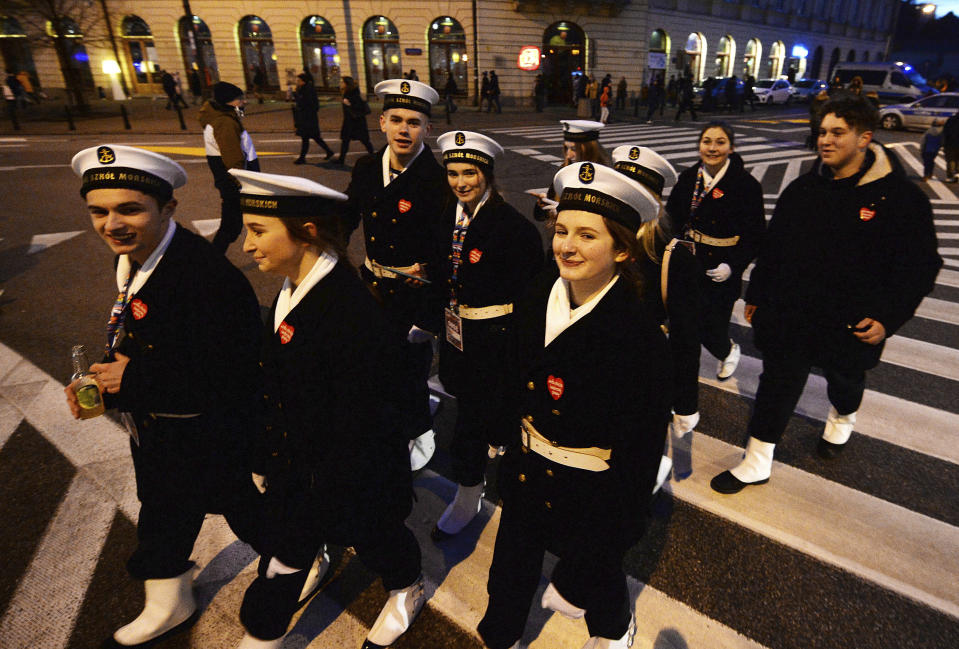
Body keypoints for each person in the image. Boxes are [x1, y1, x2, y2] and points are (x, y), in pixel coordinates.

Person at [65, 145, 262, 647]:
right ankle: (169, 596)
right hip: (159, 424)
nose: (112, 224)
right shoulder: (140, 257)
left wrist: (128, 382)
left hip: (208, 430)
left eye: (129, 209)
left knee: (241, 507)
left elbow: (229, 374)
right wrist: (106, 385)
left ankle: (299, 556)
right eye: (99, 211)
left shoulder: (203, 278)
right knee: (163, 508)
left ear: (168, 208)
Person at [477, 161, 672, 649]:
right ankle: (499, 636)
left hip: (591, 490)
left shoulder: (639, 335)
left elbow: (638, 459)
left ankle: (613, 630)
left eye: (587, 235)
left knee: (596, 580)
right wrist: (499, 437)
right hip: (526, 469)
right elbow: (513, 372)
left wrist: (599, 551)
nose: (566, 245)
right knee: (508, 573)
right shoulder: (539, 290)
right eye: (561, 230)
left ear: (623, 248)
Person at [229, 169, 425, 649]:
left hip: (352, 468)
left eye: (258, 232)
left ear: (307, 232)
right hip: (301, 462)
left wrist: (323, 483)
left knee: (377, 536)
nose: (246, 246)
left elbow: (365, 417)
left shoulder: (349, 308)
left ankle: (406, 586)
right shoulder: (294, 286)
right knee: (289, 539)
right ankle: (274, 612)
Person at [710, 96, 942, 494]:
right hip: (793, 312)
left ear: (865, 137)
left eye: (838, 133)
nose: (825, 140)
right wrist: (758, 292)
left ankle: (843, 416)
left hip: (852, 318)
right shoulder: (803, 188)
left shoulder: (901, 198)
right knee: (777, 382)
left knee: (845, 379)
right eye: (822, 132)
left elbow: (921, 266)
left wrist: (888, 317)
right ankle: (756, 459)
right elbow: (775, 245)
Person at [431, 131, 544, 541]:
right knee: (475, 410)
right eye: (453, 173)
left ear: (488, 174)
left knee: (476, 421)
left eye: (470, 173)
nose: (461, 182)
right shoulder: (447, 217)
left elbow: (532, 300)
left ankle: (469, 491)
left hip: (498, 341)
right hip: (459, 336)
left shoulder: (513, 228)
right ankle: (485, 463)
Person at [341, 79, 452, 471]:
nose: (405, 130)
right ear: (383, 123)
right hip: (373, 287)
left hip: (414, 294)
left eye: (415, 122)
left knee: (412, 371)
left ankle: (422, 431)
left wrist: (428, 317)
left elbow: (445, 255)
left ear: (428, 129)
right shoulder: (368, 167)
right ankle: (390, 423)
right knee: (375, 364)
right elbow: (346, 219)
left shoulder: (438, 182)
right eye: (398, 120)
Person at [610, 145, 698, 473]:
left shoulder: (672, 256)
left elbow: (686, 336)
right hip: (600, 365)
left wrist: (686, 401)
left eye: (638, 192)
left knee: (637, 457)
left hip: (645, 373)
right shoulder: (601, 240)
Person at [664, 122, 765, 384]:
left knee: (711, 327)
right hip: (688, 261)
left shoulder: (747, 185)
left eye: (720, 142)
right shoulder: (689, 178)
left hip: (721, 265)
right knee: (683, 326)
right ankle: (683, 389)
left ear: (731, 147)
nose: (712, 148)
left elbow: (754, 236)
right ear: (699, 146)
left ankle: (728, 350)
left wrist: (733, 266)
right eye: (707, 141)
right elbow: (671, 218)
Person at [199, 81, 260, 253]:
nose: (244, 102)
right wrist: (245, 184)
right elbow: (233, 158)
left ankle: (213, 260)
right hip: (235, 184)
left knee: (233, 226)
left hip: (231, 182)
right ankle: (211, 261)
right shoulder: (224, 123)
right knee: (231, 227)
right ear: (229, 102)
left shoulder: (223, 118)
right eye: (240, 99)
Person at [532, 120, 608, 223]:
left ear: (589, 149)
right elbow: (541, 216)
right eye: (566, 148)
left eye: (574, 149)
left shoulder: (606, 176)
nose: (569, 155)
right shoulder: (564, 170)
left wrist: (564, 213)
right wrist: (543, 204)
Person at [292, 73, 334, 164]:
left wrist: (296, 96)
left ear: (303, 81)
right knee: (314, 137)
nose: (297, 82)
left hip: (308, 118)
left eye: (298, 80)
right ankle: (328, 151)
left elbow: (306, 103)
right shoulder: (304, 89)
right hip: (307, 118)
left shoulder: (307, 90)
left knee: (307, 138)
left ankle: (302, 158)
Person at [337, 76, 375, 164]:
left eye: (342, 82)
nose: (340, 84)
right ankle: (341, 159)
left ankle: (374, 156)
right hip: (349, 122)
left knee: (365, 140)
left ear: (347, 84)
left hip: (357, 122)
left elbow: (360, 107)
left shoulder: (354, 94)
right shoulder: (346, 93)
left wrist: (349, 104)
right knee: (345, 140)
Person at [944, 111, 959, 183]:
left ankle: (950, 176)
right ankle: (958, 174)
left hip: (951, 144)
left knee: (950, 160)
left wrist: (943, 143)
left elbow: (945, 132)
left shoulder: (951, 119)